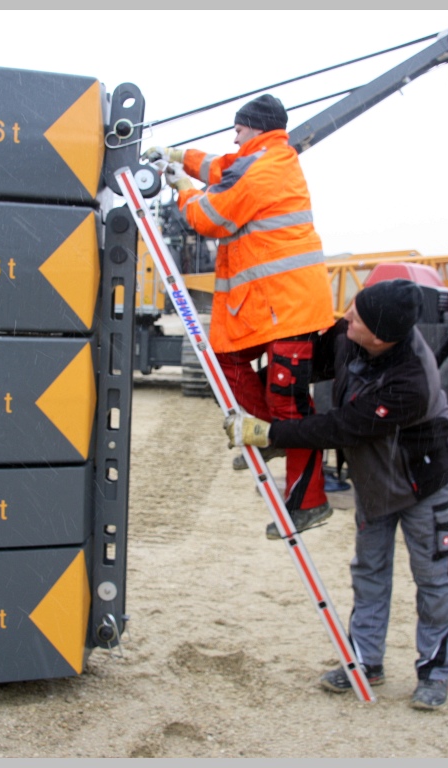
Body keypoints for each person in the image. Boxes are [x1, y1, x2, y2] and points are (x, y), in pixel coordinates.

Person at [224, 279, 448, 710]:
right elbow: (305, 366)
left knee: (432, 579)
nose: (346, 317)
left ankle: (435, 672)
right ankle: (365, 661)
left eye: (357, 316)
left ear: (382, 338)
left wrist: (271, 433)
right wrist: (247, 381)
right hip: (374, 482)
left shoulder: (411, 381)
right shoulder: (351, 337)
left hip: (421, 485)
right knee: (369, 571)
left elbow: (342, 427)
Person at [146, 94, 336, 540]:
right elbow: (221, 167)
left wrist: (183, 188)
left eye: (238, 129)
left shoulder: (265, 169)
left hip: (288, 307)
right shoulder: (260, 160)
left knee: (291, 406)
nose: (233, 137)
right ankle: (269, 434)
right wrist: (179, 156)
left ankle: (309, 502)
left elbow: (209, 217)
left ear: (255, 128)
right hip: (274, 306)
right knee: (224, 362)